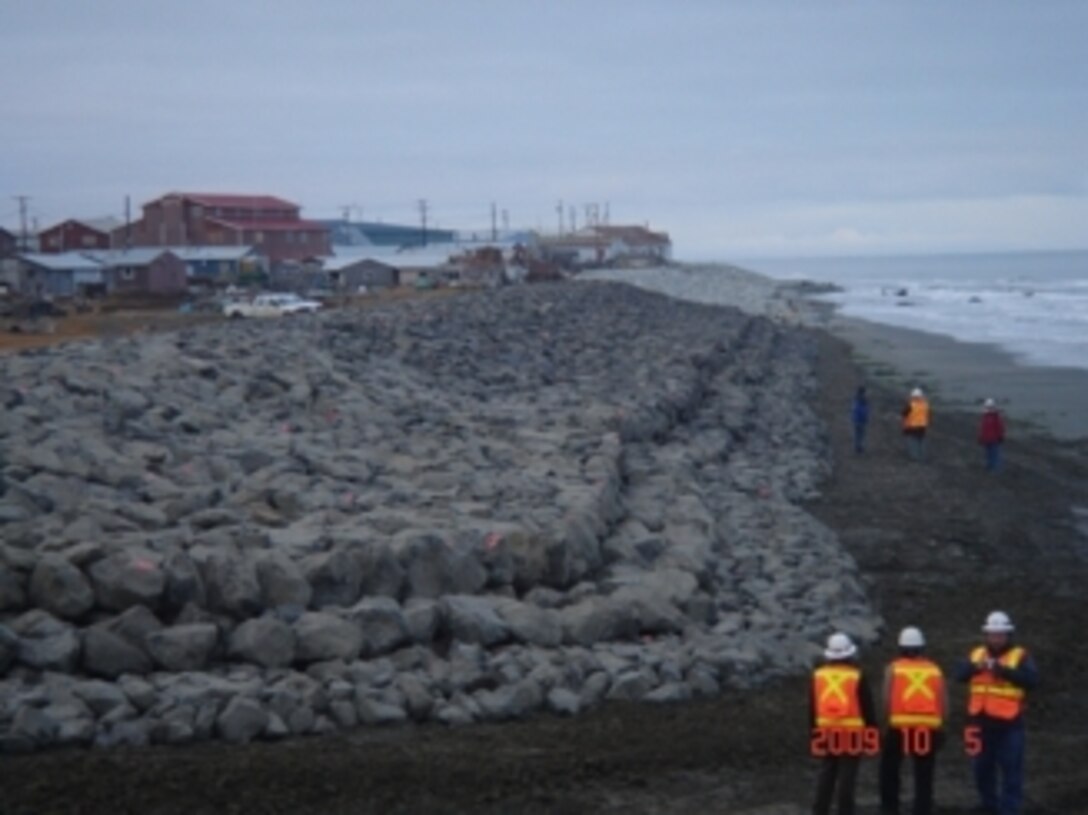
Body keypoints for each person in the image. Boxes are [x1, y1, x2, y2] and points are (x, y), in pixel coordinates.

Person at [954, 611, 1039, 815]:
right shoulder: (977, 654)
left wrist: (1005, 673)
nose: (996, 638)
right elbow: (959, 675)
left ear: (1008, 635)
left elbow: (1032, 681)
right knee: (981, 768)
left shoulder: (1020, 656)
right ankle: (988, 805)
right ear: (986, 635)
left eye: (1000, 635)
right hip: (979, 723)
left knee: (1011, 770)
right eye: (992, 634)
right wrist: (976, 668)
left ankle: (1009, 809)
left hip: (1009, 724)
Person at [880, 626, 948, 815]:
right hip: (926, 728)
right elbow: (943, 700)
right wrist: (941, 725)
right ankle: (922, 808)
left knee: (890, 769)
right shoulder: (934, 670)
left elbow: (886, 698)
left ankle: (890, 807)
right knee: (924, 773)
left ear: (901, 647)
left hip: (899, 727)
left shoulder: (893, 668)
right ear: (922, 647)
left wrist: (886, 723)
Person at [811, 632, 877, 815]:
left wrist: (814, 734)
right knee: (847, 777)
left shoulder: (819, 676)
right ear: (849, 654)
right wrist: (872, 733)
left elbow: (813, 707)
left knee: (826, 772)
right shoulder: (856, 676)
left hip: (826, 729)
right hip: (852, 732)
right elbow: (867, 707)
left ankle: (820, 810)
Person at [901, 388, 930, 461]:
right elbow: (928, 414)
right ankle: (923, 456)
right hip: (923, 426)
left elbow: (904, 413)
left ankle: (914, 457)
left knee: (912, 441)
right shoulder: (925, 405)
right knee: (921, 441)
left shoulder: (911, 405)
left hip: (912, 426)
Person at [978, 399, 1006, 472]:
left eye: (990, 407)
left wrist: (1000, 436)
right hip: (987, 439)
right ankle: (989, 466)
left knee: (995, 454)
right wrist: (981, 437)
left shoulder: (996, 417)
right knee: (988, 454)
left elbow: (1000, 427)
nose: (989, 408)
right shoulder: (985, 417)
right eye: (988, 407)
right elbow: (983, 428)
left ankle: (996, 469)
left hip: (994, 439)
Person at [851, 386, 870, 454]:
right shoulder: (862, 400)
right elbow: (863, 410)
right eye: (865, 392)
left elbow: (854, 410)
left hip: (857, 420)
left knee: (858, 435)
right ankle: (859, 448)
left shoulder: (856, 399)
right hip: (860, 420)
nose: (866, 394)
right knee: (860, 435)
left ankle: (858, 447)